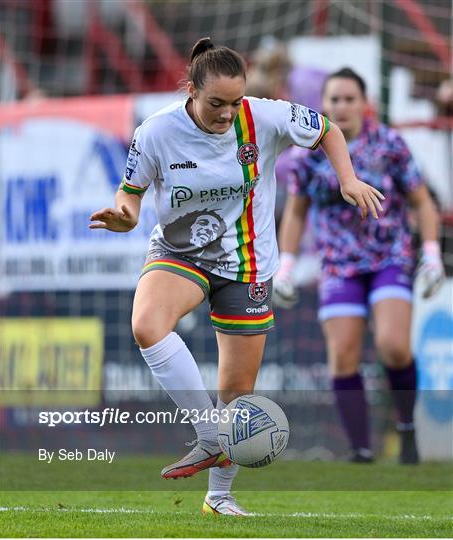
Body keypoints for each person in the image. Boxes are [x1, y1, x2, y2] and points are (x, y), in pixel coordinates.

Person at [89, 41, 384, 516]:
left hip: (246, 263)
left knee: (237, 392)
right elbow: (131, 195)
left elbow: (327, 129)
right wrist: (125, 216)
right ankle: (208, 434)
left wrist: (347, 179)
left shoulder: (263, 116)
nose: (227, 114)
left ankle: (219, 499)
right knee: (147, 324)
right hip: (180, 251)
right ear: (191, 90)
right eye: (215, 104)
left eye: (234, 102)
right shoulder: (157, 132)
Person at [274, 67, 445, 464]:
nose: (342, 106)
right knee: (343, 357)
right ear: (324, 105)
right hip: (338, 266)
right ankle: (361, 451)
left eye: (350, 98)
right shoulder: (307, 155)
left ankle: (406, 430)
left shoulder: (389, 143)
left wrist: (432, 253)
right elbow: (296, 214)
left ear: (365, 104)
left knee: (393, 345)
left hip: (390, 258)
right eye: (334, 99)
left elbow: (421, 201)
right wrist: (286, 266)